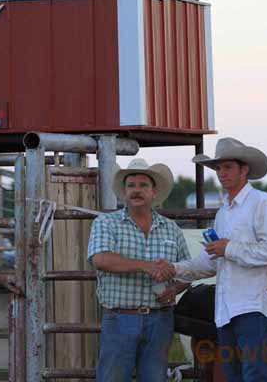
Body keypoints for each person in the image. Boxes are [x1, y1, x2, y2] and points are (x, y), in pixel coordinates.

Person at [158, 137, 267, 382]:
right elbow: (211, 262)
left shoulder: (262, 203)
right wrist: (175, 268)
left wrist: (229, 249)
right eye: (218, 168)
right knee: (234, 374)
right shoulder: (224, 212)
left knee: (252, 374)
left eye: (227, 167)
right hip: (228, 307)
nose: (221, 173)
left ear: (244, 169)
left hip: (252, 306)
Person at [87, 158, 191, 382]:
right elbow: (101, 259)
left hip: (160, 318)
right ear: (124, 192)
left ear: (154, 192)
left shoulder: (171, 228)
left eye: (143, 185)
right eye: (131, 185)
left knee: (154, 378)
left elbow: (187, 270)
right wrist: (146, 266)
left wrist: (175, 290)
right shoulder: (106, 222)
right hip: (120, 316)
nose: (136, 190)